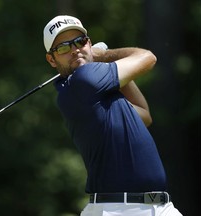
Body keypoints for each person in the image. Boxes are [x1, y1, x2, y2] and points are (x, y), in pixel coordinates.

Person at [43, 15, 182, 216]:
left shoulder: (90, 91)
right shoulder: (85, 79)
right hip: (118, 209)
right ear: (51, 59)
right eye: (64, 48)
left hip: (159, 207)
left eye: (80, 42)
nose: (75, 50)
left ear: (88, 43)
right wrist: (104, 55)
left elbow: (144, 115)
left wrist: (109, 72)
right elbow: (148, 57)